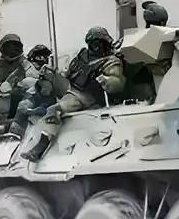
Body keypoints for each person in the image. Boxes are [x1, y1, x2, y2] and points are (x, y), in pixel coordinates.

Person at [21, 27, 125, 161]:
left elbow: (116, 83)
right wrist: (58, 77)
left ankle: (41, 145)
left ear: (105, 43)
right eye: (93, 43)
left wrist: (105, 79)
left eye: (99, 43)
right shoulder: (82, 56)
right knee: (46, 71)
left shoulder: (110, 60)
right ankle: (31, 109)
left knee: (54, 109)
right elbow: (68, 73)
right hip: (72, 88)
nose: (96, 46)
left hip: (89, 95)